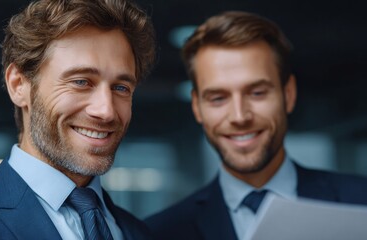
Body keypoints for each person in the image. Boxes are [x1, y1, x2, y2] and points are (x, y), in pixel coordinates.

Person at [0, 0, 155, 239]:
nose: (106, 111)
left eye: (121, 87)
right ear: (18, 85)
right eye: (81, 82)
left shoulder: (140, 233)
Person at [145, 11, 367, 240]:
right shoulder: (159, 234)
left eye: (257, 93)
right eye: (218, 98)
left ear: (288, 94)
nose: (240, 116)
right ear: (197, 107)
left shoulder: (362, 203)